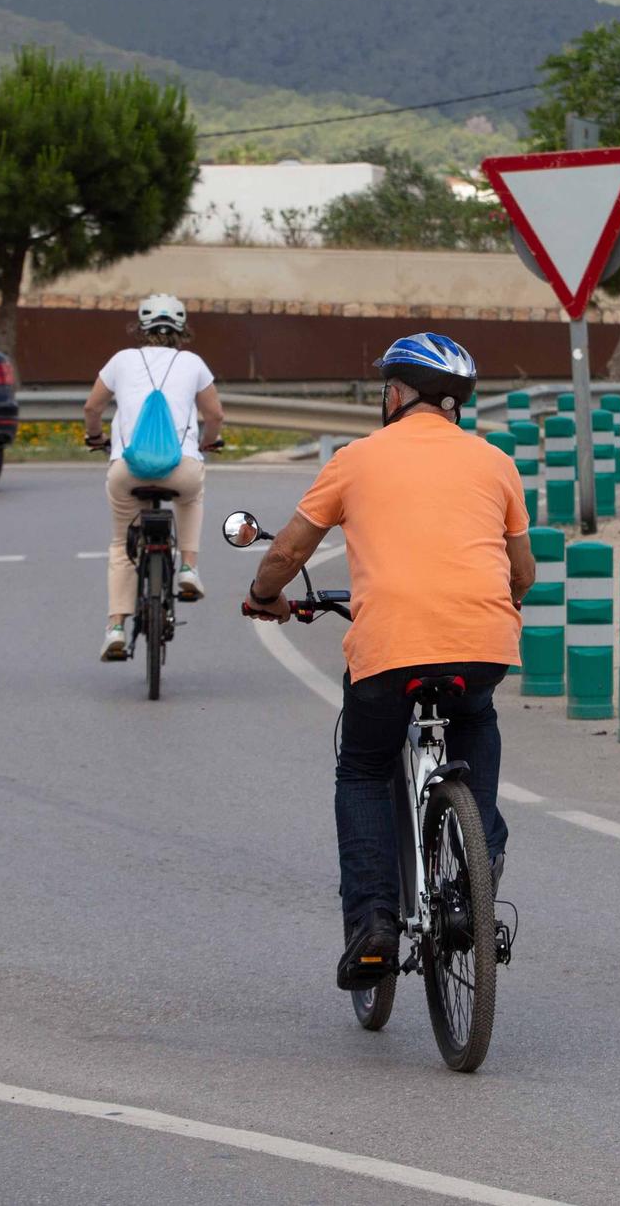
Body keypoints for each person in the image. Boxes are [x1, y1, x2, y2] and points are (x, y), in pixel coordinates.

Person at [241, 333, 534, 990]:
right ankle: (472, 876)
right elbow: (523, 571)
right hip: (482, 644)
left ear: (395, 395)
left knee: (366, 767)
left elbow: (288, 554)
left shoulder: (356, 459)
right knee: (476, 720)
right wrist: (495, 602)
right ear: (454, 404)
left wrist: (265, 597)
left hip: (390, 651)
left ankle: (373, 924)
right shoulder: (495, 463)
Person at [84, 294, 224, 662]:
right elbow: (215, 416)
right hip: (181, 468)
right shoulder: (193, 363)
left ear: (141, 328)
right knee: (191, 496)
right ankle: (189, 568)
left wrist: (95, 437)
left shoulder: (121, 360)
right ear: (182, 330)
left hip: (127, 470)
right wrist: (208, 443)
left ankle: (115, 627)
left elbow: (92, 407)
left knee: (120, 545)